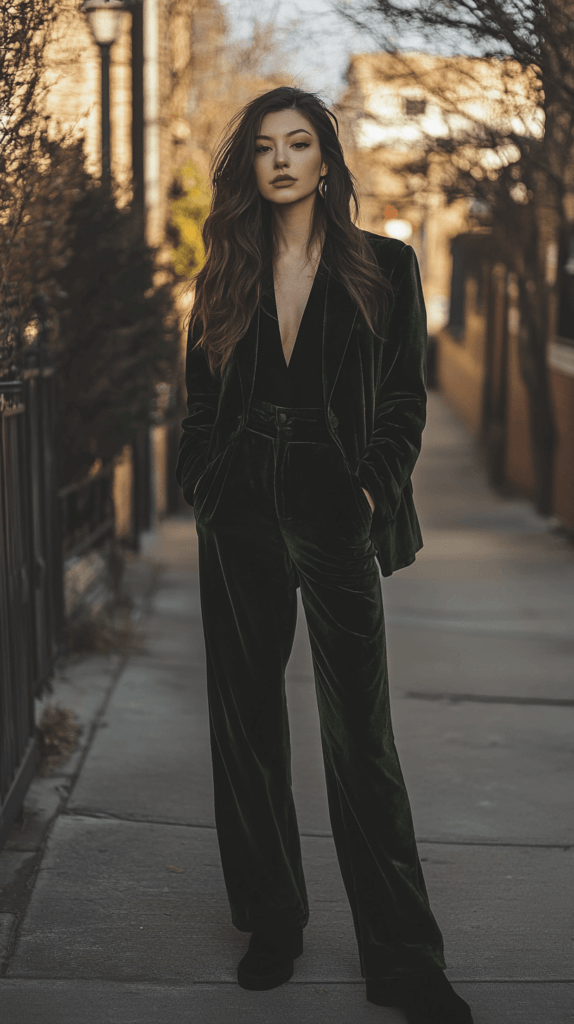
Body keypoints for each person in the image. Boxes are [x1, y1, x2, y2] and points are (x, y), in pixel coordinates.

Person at [176, 86, 473, 1024]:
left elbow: (404, 402)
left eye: (299, 144)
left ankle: (403, 956)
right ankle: (274, 922)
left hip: (335, 499)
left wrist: (370, 489)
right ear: (250, 165)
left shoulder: (385, 265)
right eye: (265, 147)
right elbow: (194, 405)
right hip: (242, 503)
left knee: (361, 737)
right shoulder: (223, 271)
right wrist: (206, 485)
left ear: (325, 161)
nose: (281, 161)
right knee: (246, 722)